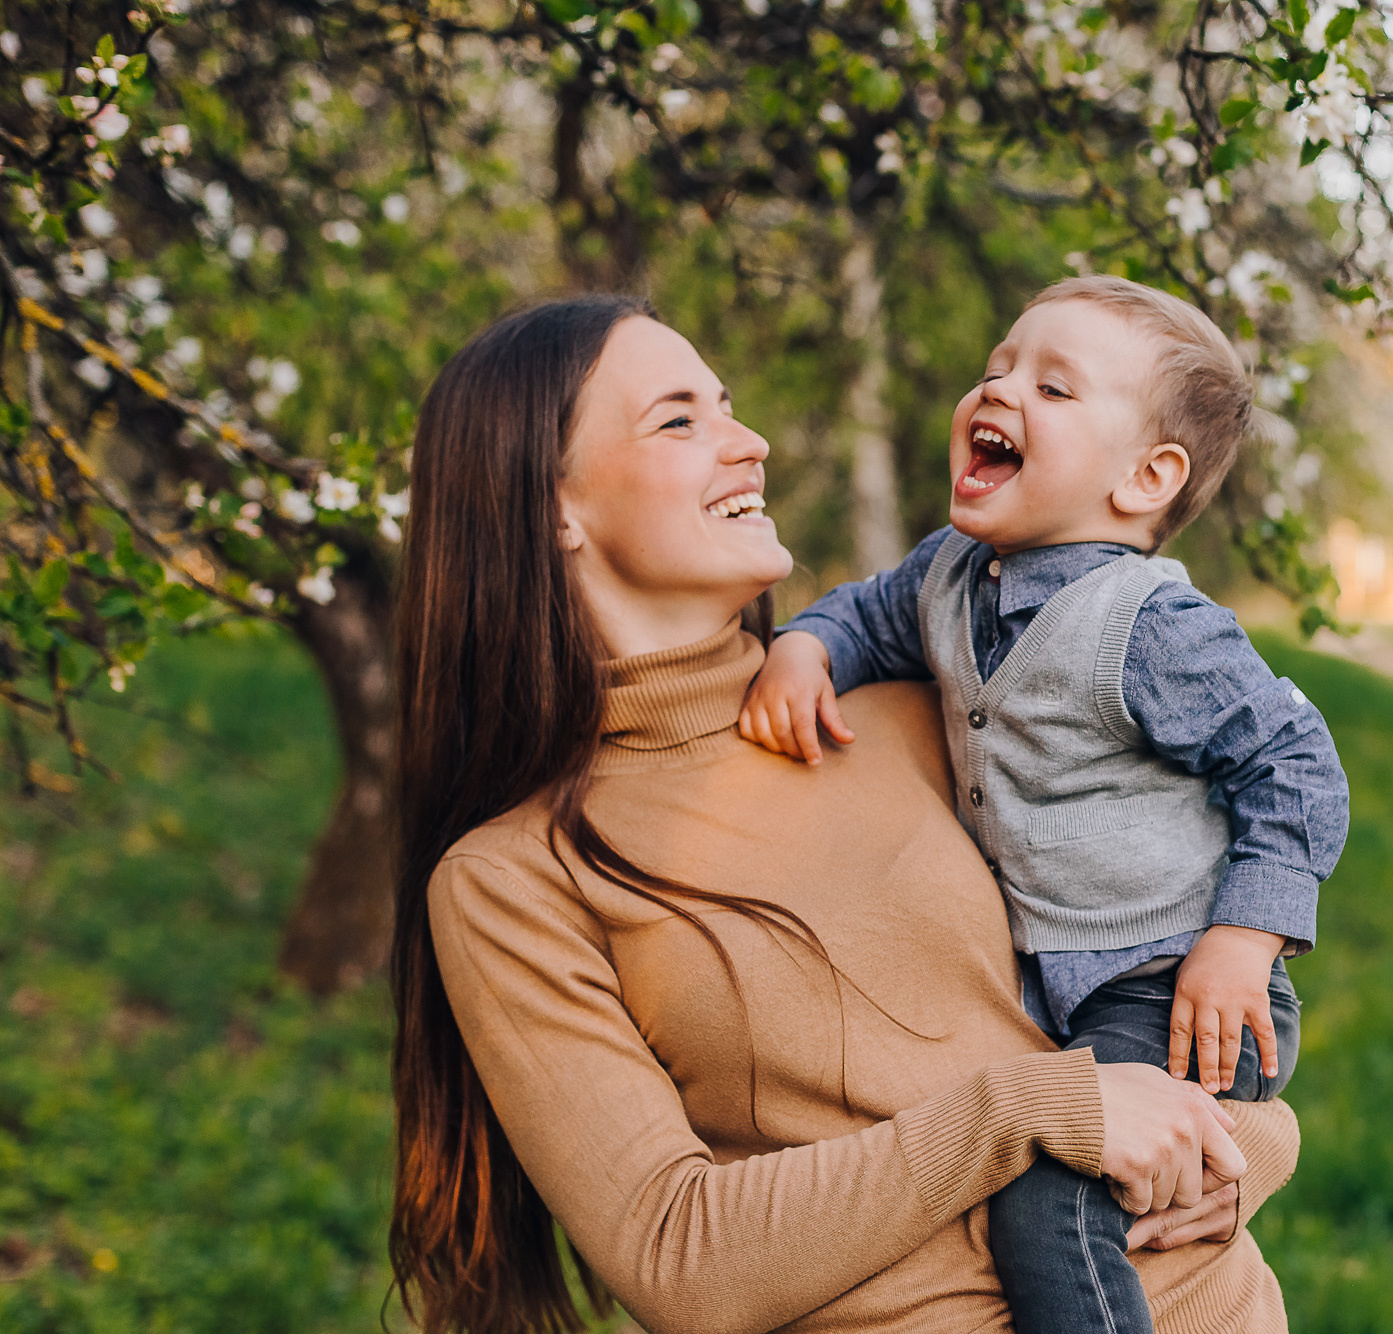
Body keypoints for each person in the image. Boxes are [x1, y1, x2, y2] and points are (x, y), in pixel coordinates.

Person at [387, 294, 1302, 1334]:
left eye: (728, 406)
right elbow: (676, 1254)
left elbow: (1151, 967)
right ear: (550, 502)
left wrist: (1257, 1148)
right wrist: (1021, 1112)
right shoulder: (511, 878)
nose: (750, 443)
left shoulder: (926, 716)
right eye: (680, 419)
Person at [740, 276, 1348, 1334]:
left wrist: (1243, 935)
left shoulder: (1150, 624)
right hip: (1055, 991)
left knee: (1048, 1190)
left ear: (1144, 477)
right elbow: (867, 612)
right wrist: (806, 644)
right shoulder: (950, 576)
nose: (999, 390)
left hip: (1179, 984)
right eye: (995, 368)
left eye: (1053, 387)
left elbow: (1292, 757)